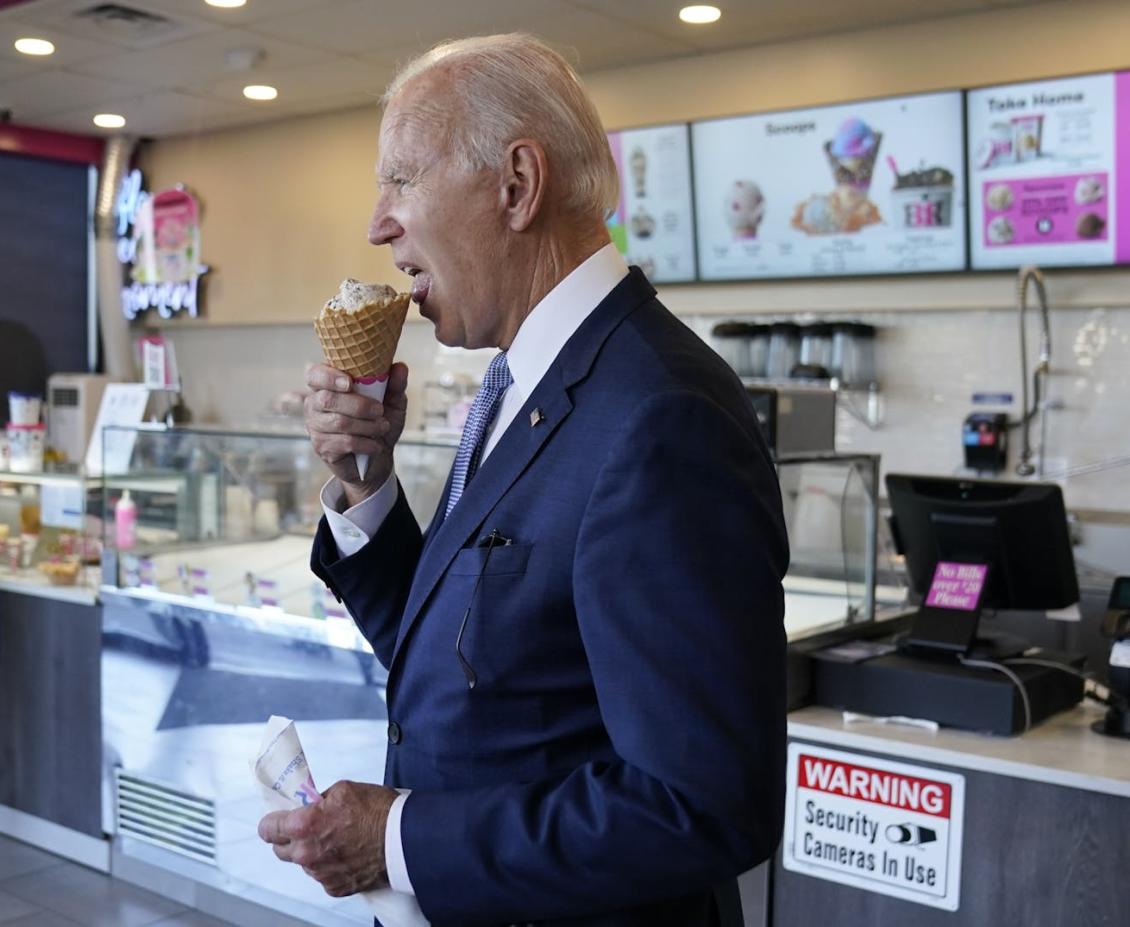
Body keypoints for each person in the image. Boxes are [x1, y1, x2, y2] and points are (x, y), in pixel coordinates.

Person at [259, 33, 788, 926]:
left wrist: (398, 839)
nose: (377, 224)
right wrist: (366, 486)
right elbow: (488, 667)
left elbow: (702, 802)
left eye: (401, 180)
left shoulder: (660, 414)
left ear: (517, 185)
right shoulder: (522, 382)